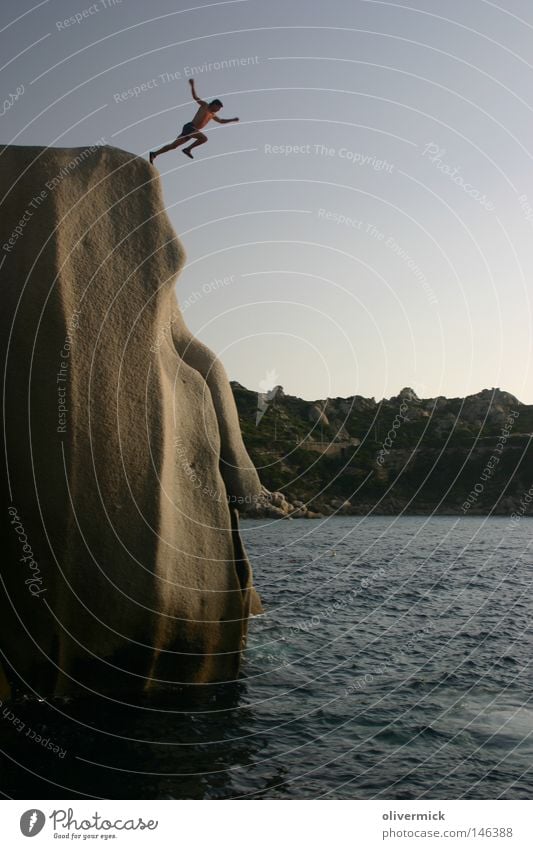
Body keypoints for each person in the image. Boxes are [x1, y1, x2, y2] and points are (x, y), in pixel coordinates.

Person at [149, 78, 239, 163]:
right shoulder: (205, 106)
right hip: (190, 127)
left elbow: (221, 121)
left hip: (192, 131)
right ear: (214, 104)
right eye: (218, 108)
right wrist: (192, 85)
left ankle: (154, 154)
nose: (218, 110)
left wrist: (233, 119)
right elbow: (195, 97)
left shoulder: (212, 115)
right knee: (204, 138)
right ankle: (188, 149)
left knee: (174, 146)